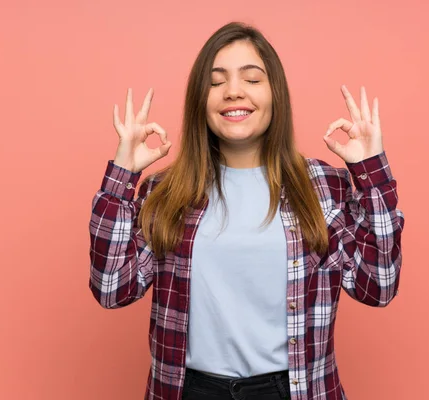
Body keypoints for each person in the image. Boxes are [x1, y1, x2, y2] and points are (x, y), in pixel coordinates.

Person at [89, 21, 404, 400]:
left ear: (276, 95)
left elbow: (379, 286)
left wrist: (370, 173)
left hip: (295, 390)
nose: (233, 92)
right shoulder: (166, 191)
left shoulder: (324, 186)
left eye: (252, 79)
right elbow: (111, 289)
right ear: (199, 100)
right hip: (189, 391)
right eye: (216, 81)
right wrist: (122, 176)